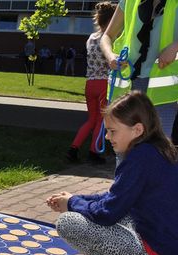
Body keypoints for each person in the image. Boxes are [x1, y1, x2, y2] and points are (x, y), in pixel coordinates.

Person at [47, 91, 178, 255]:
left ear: (137, 129)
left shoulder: (138, 158)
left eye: (112, 131)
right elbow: (116, 197)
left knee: (68, 223)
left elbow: (107, 213)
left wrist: (72, 204)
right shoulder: (155, 150)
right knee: (115, 211)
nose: (108, 137)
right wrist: (76, 198)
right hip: (174, 252)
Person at [100, 0, 178, 138]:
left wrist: (176, 47)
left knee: (157, 151)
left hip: (162, 95)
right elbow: (106, 37)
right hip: (126, 88)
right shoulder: (129, 2)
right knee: (124, 152)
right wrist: (110, 56)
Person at [67, 2, 117, 164]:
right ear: (112, 20)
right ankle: (94, 152)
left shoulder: (91, 38)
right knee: (101, 121)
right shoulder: (110, 39)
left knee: (91, 119)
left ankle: (73, 149)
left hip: (90, 83)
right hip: (104, 84)